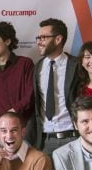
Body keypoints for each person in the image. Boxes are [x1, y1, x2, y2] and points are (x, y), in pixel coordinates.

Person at [30, 18, 79, 155]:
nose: (39, 41)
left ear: (58, 39)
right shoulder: (38, 67)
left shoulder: (76, 65)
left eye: (43, 37)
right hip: (46, 140)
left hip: (73, 138)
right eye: (38, 38)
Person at [0, 21, 34, 135]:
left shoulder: (25, 64)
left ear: (7, 41)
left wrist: (13, 111)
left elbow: (30, 95)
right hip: (0, 130)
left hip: (24, 127)